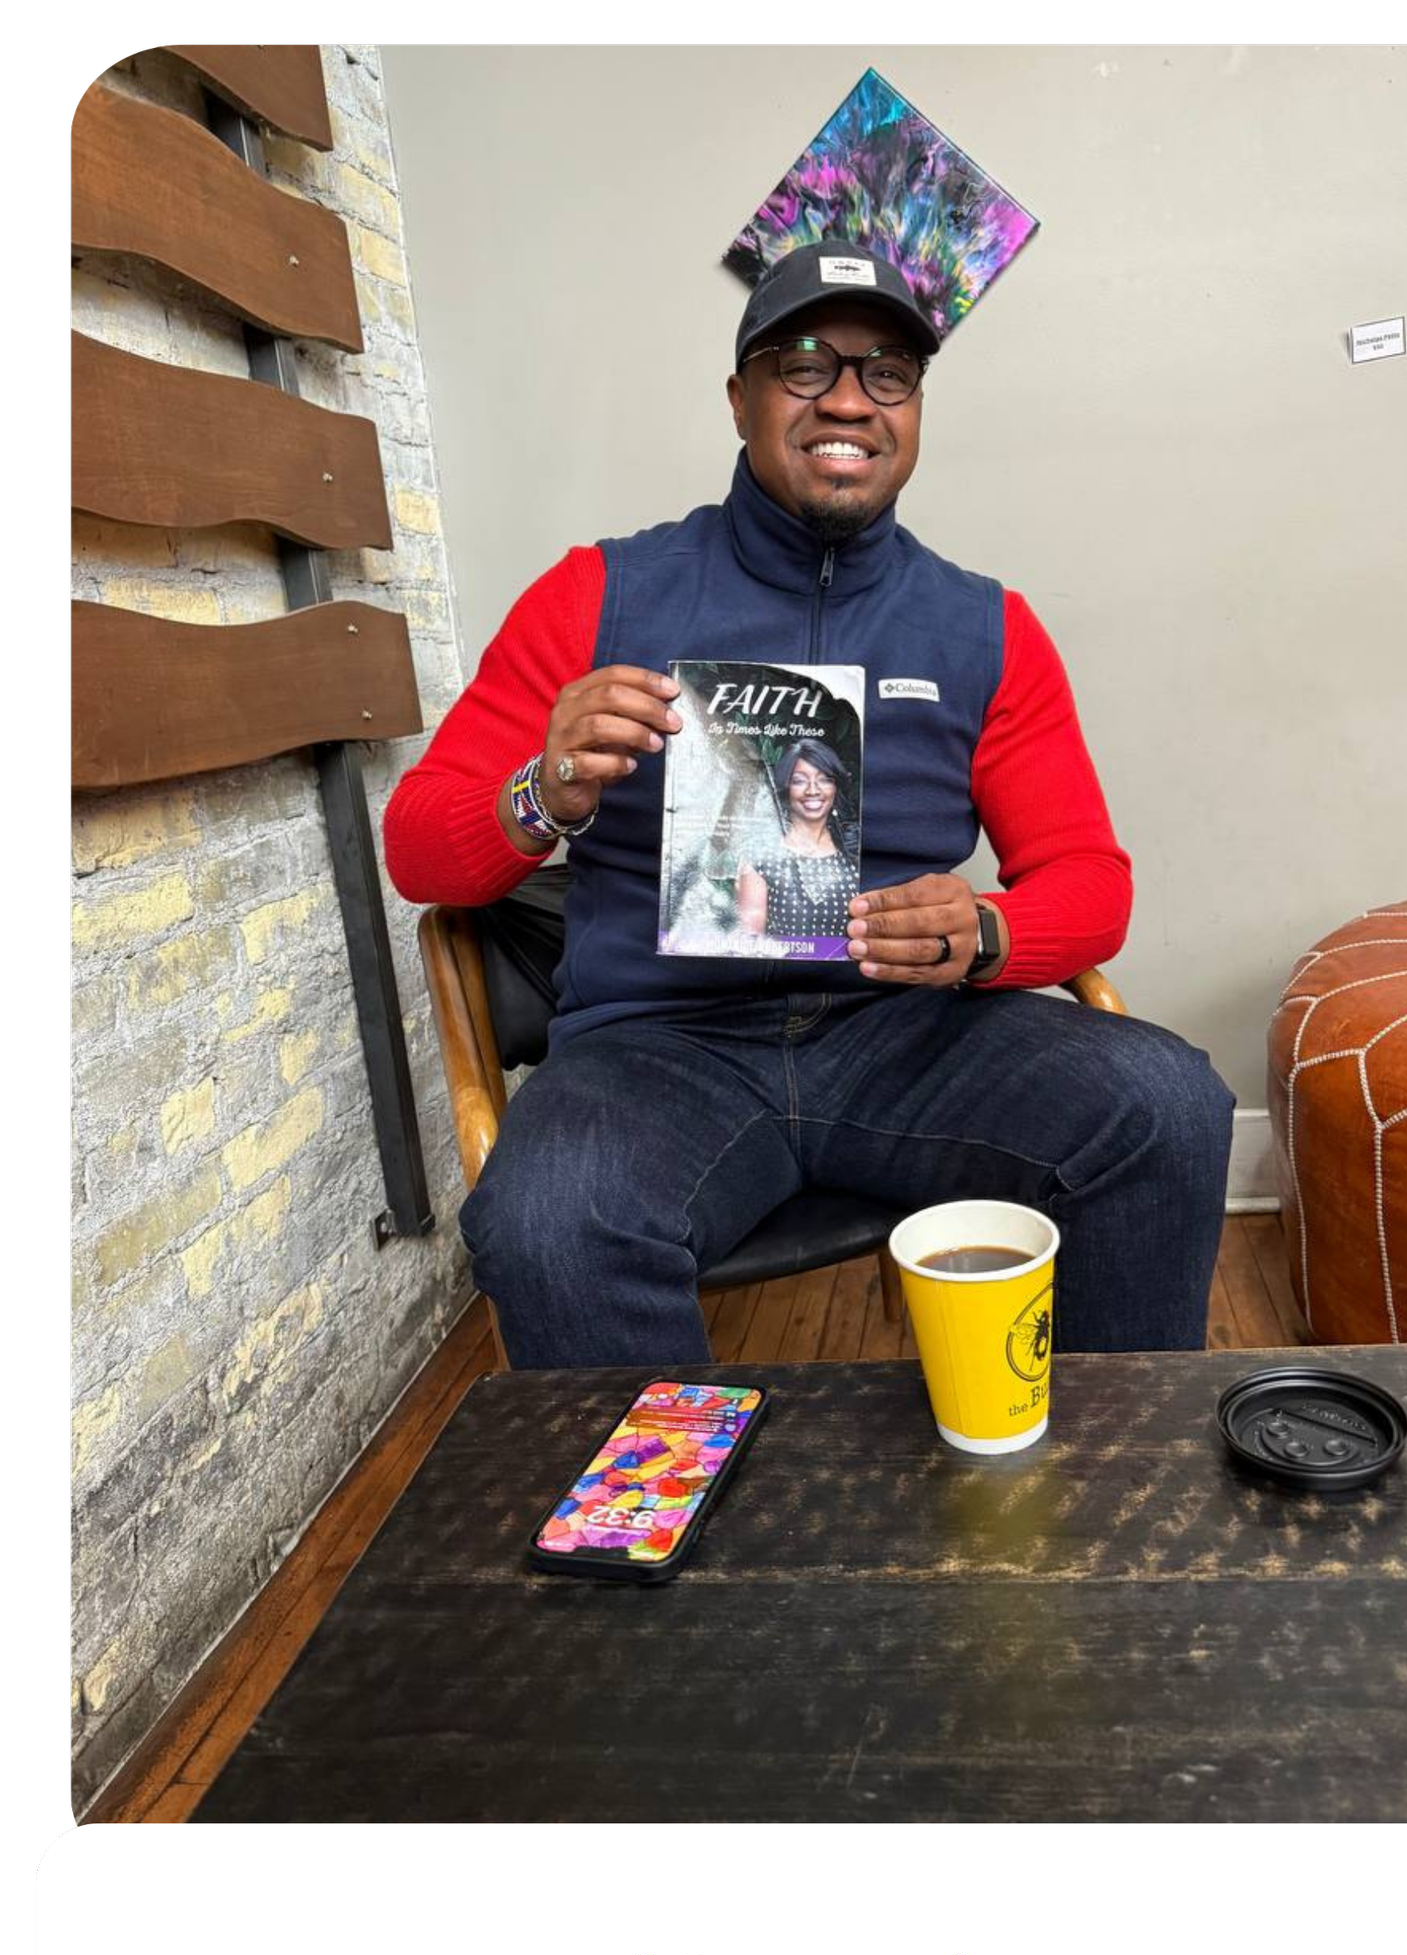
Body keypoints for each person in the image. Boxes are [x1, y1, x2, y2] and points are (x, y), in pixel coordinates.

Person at [383, 237, 1235, 1368]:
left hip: (905, 1032)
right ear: (739, 398)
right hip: (660, 1048)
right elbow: (420, 856)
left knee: (1167, 1105)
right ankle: (671, 1539)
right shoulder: (597, 593)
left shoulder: (988, 629)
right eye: (804, 364)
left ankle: (1116, 1486)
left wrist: (984, 933)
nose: (849, 399)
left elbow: (1090, 882)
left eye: (888, 373)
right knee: (545, 1220)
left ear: (916, 410)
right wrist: (544, 792)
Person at [736, 739, 860, 948]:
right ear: (785, 787)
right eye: (800, 781)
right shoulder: (759, 856)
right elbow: (750, 942)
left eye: (824, 780)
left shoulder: (854, 849)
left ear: (835, 787)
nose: (813, 790)